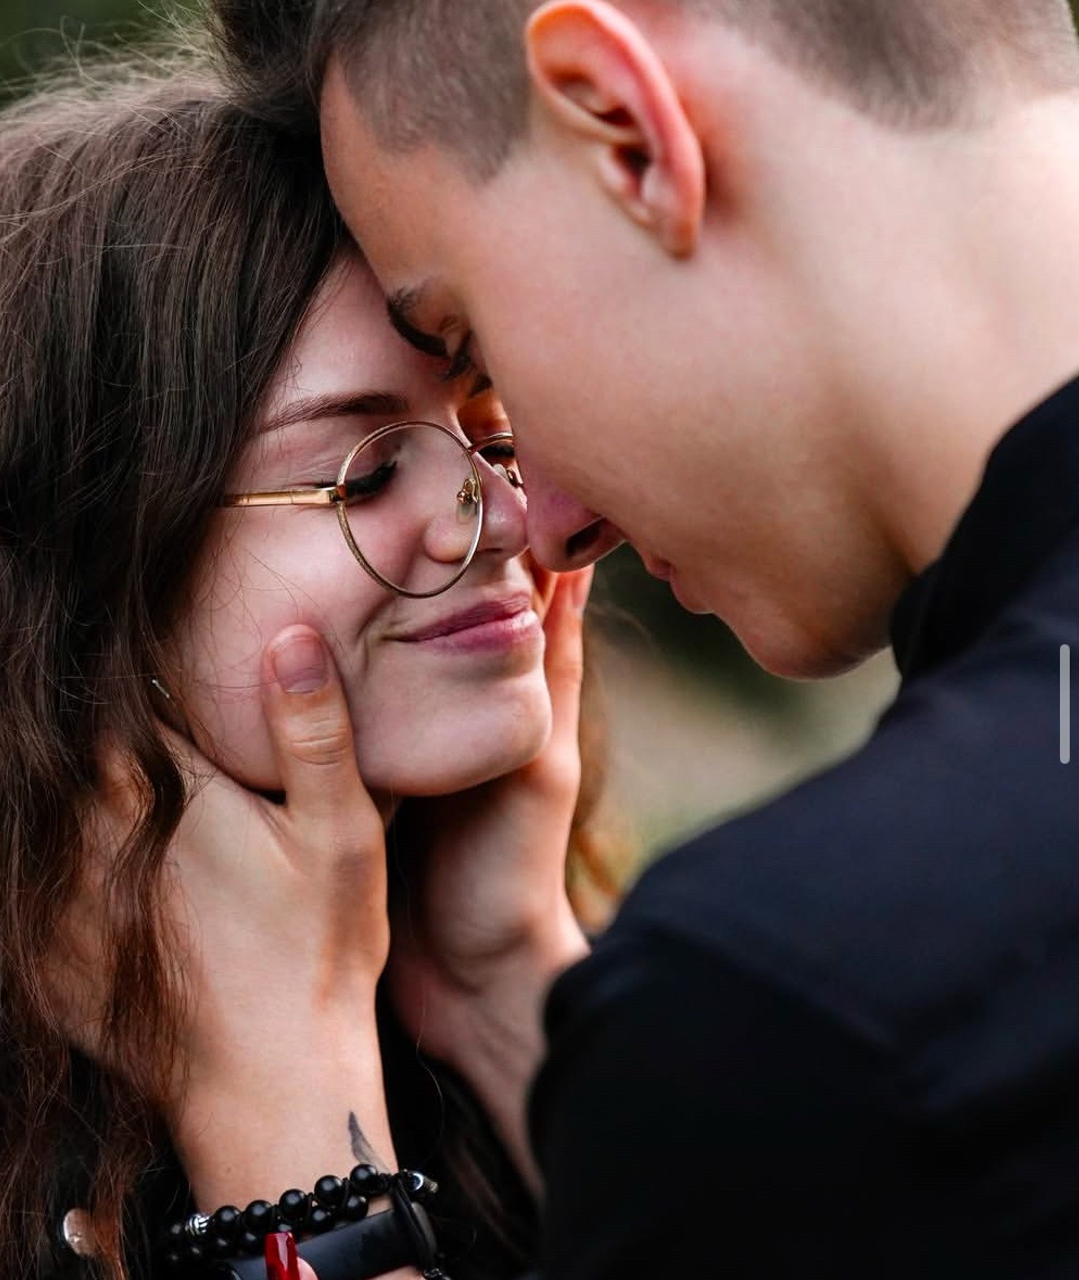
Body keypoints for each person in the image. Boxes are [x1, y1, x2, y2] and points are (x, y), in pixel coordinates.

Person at [203, 0, 1079, 1276]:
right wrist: (510, 986)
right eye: (370, 466)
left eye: (472, 345)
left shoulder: (811, 1002)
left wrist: (287, 1165)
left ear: (626, 133)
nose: (542, 530)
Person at [0, 41, 605, 1280]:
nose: (505, 517)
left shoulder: (453, 1020)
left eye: (493, 433)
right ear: (80, 571)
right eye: (366, 471)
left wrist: (506, 977)